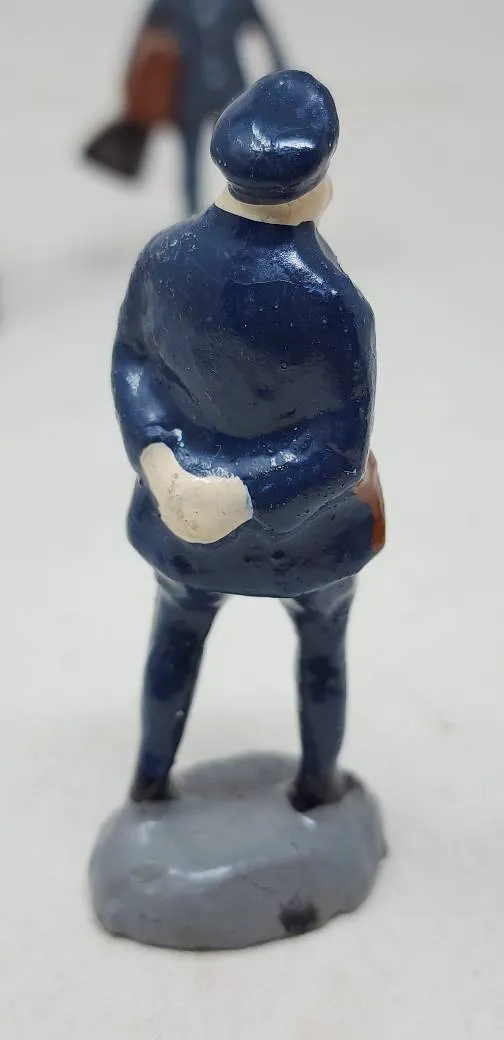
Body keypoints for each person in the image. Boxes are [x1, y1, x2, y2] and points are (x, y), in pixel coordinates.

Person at [112, 70, 386, 811]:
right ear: (316, 183)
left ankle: (150, 781)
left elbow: (133, 362)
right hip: (307, 535)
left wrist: (160, 459)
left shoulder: (165, 255)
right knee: (322, 646)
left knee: (175, 638)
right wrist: (243, 495)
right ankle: (318, 785)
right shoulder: (333, 302)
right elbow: (340, 450)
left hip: (181, 516)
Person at [83, 0, 285, 213]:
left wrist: (280, 75)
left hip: (231, 91)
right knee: (191, 160)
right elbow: (143, 39)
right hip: (187, 92)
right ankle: (192, 216)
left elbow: (266, 33)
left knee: (243, 153)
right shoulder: (171, 3)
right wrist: (136, 87)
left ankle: (251, 211)